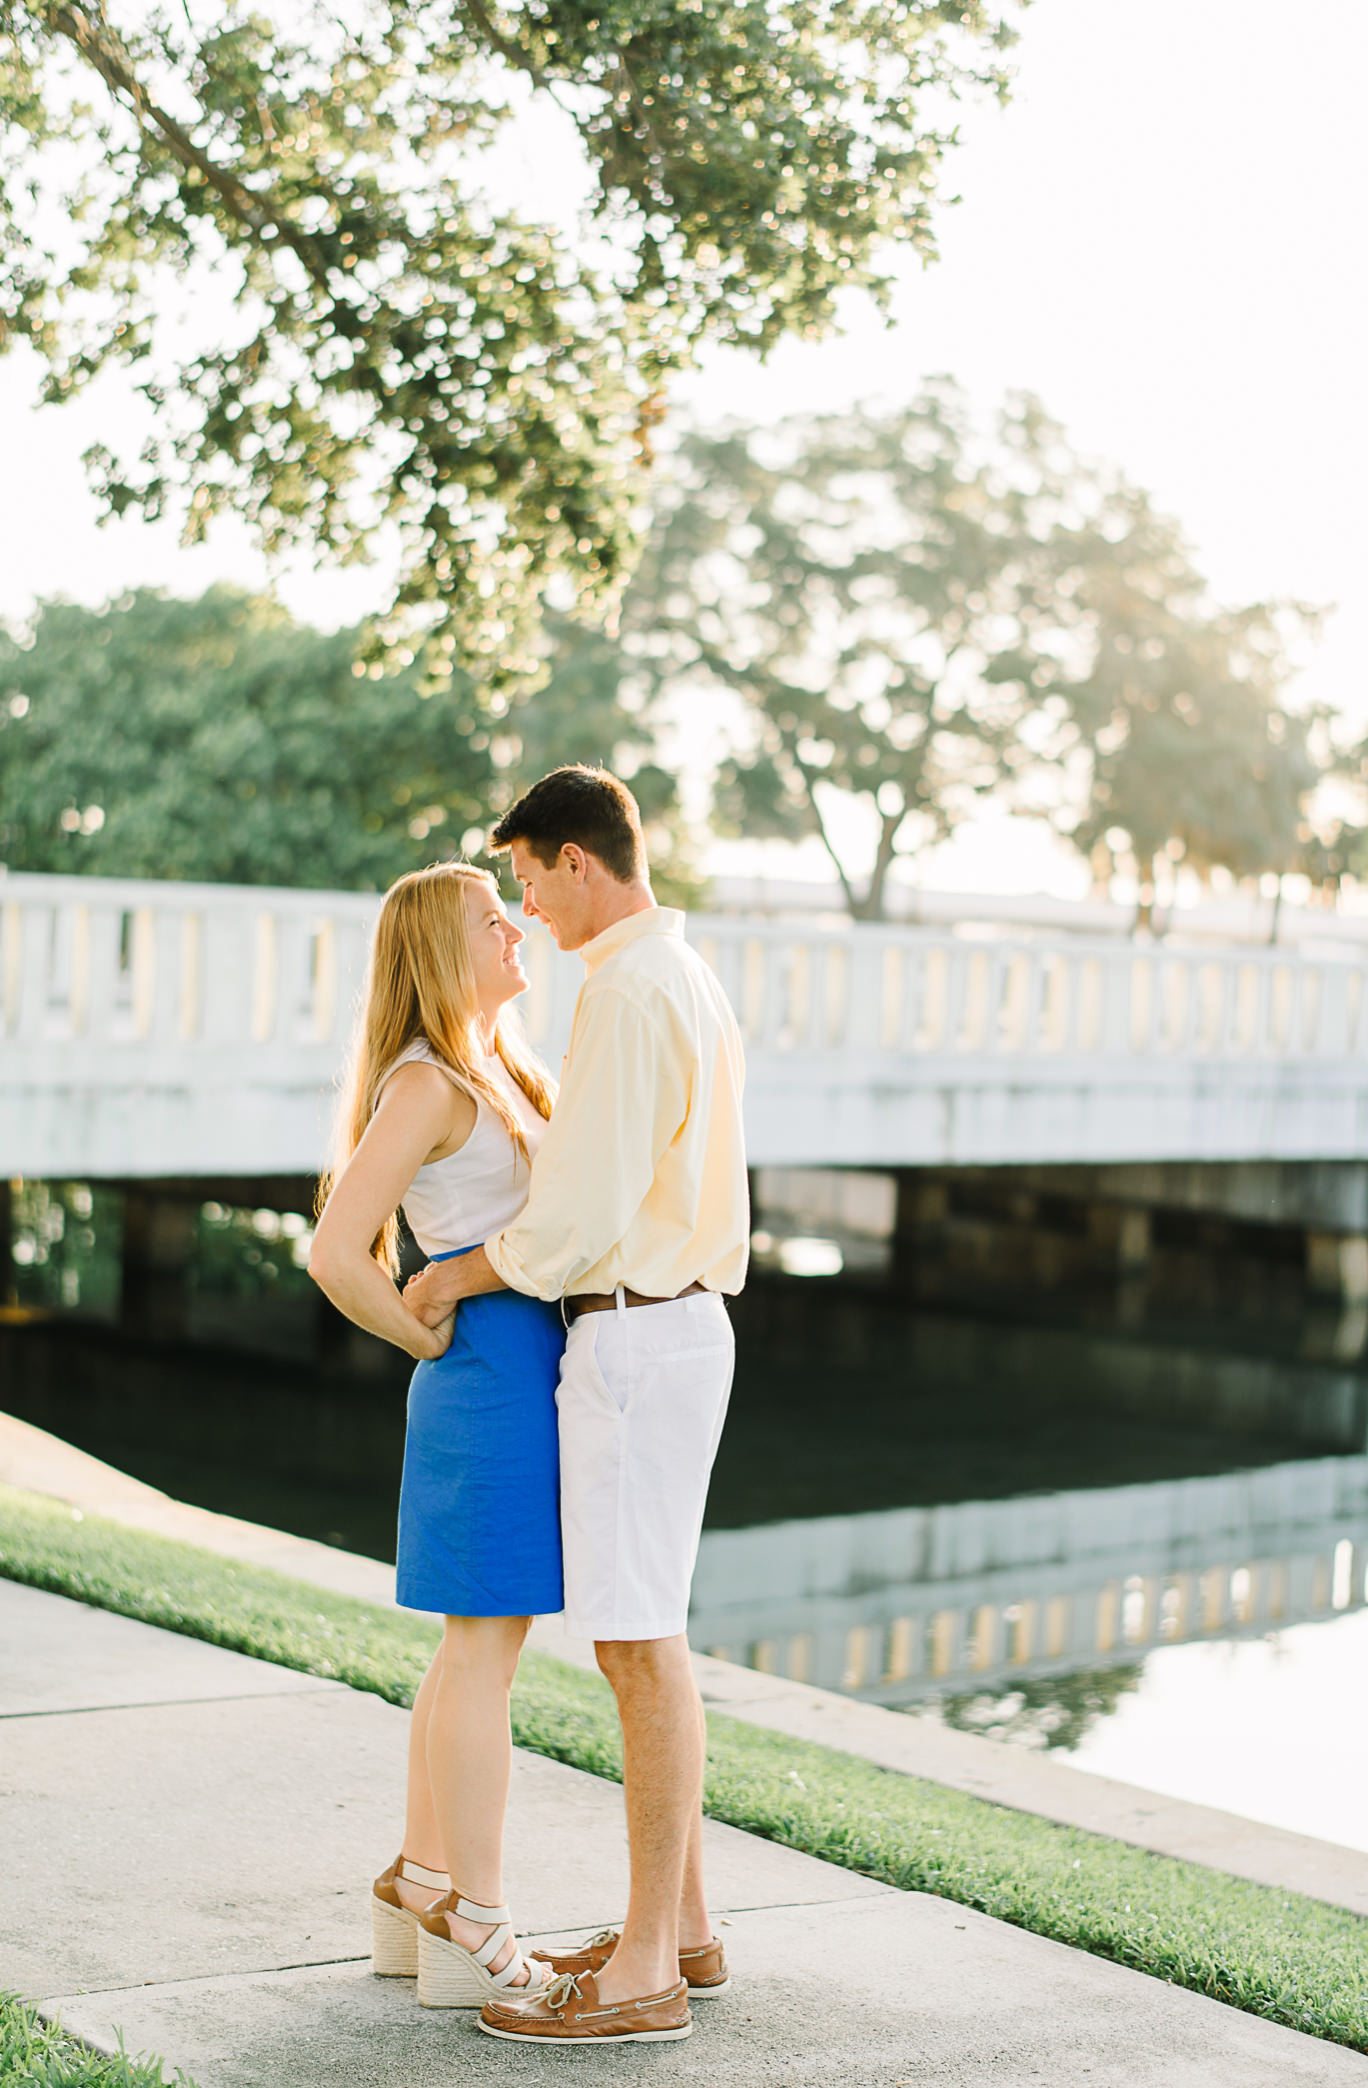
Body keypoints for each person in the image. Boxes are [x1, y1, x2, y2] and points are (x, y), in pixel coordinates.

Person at [404, 764, 749, 2048]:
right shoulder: (682, 975)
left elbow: (571, 1220)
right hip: (670, 1330)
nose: (527, 912)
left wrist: (450, 1272)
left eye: (530, 881)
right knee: (641, 1634)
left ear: (577, 863)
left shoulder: (626, 990)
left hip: (636, 1334)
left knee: (637, 1646)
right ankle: (688, 1932)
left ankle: (648, 1972)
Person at [308, 862, 562, 2010]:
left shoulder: (488, 1068)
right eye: (489, 921)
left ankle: (420, 1882)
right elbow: (335, 1250)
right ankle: (478, 1915)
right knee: (483, 1653)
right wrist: (421, 1344)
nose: (515, 930)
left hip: (518, 1368)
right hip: (486, 1376)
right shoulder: (426, 1086)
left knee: (475, 1648)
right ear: (436, 953)